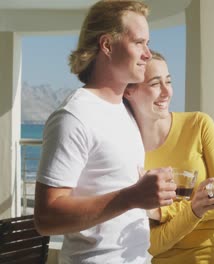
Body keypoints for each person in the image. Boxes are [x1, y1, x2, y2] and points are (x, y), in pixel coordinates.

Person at [33, 1, 177, 263]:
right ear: (107, 45)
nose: (148, 53)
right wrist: (132, 197)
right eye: (139, 43)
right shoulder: (74, 116)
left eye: (148, 43)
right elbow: (46, 217)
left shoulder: (124, 110)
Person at [124, 51, 214, 264]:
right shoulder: (128, 151)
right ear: (128, 91)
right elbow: (151, 243)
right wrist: (196, 208)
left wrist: (162, 212)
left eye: (168, 81)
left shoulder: (199, 124)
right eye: (154, 84)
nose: (166, 92)